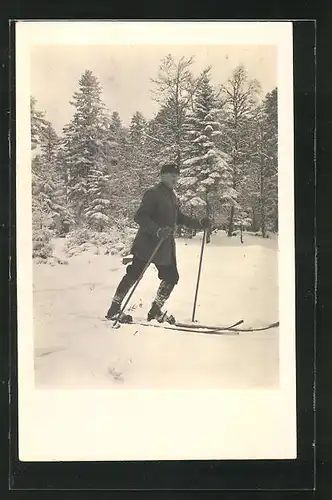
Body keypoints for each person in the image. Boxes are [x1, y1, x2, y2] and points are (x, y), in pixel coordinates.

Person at [105, 163, 211, 323]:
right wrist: (157, 230)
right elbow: (140, 217)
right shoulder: (153, 193)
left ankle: (155, 311)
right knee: (134, 274)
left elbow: (179, 218)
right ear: (162, 176)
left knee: (171, 277)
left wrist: (199, 223)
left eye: (177, 175)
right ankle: (114, 309)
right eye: (171, 174)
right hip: (147, 245)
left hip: (163, 247)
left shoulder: (172, 196)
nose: (175, 178)